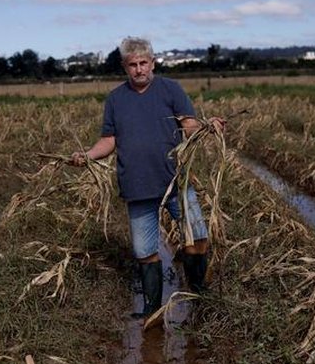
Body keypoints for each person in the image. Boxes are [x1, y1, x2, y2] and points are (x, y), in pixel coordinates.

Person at [70, 36, 224, 318]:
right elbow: (109, 139)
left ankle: (199, 295)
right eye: (133, 65)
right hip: (137, 187)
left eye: (144, 63)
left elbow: (188, 124)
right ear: (124, 67)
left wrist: (205, 126)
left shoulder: (170, 89)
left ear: (153, 63)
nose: (139, 69)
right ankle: (152, 309)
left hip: (176, 181)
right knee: (145, 252)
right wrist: (88, 155)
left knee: (197, 239)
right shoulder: (116, 99)